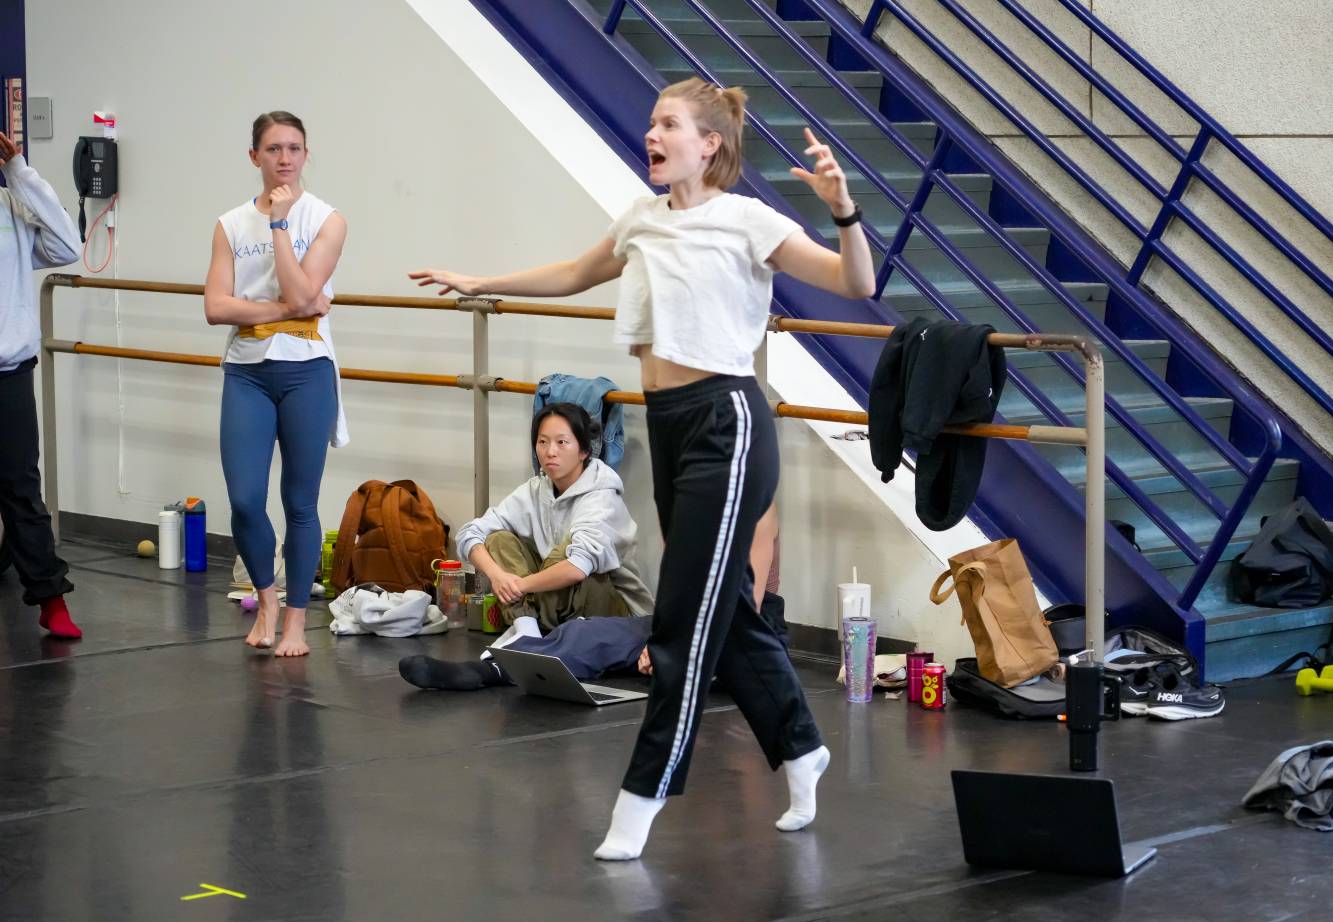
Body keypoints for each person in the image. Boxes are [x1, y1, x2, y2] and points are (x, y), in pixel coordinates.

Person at [410, 77, 874, 859]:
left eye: (668, 124)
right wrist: (482, 281)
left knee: (680, 624)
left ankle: (642, 796)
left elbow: (857, 283)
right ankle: (801, 747)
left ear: (710, 144)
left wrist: (842, 208)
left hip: (727, 422)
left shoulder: (746, 219)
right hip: (669, 424)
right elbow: (572, 272)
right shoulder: (641, 220)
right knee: (724, 611)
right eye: (651, 121)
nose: (651, 134)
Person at [204, 111, 348, 657]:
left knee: (300, 503)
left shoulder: (327, 219)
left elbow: (306, 296)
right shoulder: (230, 223)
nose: (284, 158)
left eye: (293, 148)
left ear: (306, 154)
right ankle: (265, 597)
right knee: (244, 498)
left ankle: (293, 622)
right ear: (254, 157)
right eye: (272, 149)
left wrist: (282, 226)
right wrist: (280, 308)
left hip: (307, 369)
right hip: (247, 371)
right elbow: (216, 307)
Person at [399, 402, 653, 692]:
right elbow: (471, 533)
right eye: (542, 442)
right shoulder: (536, 489)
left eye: (561, 443)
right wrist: (497, 576)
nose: (550, 452)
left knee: (567, 552)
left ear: (583, 451)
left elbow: (577, 567)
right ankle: (527, 631)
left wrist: (520, 586)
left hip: (607, 608)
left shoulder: (602, 498)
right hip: (554, 602)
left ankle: (497, 666)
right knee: (498, 540)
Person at [0, 131, 84, 639]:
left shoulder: (12, 205)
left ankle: (51, 602)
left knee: (21, 491)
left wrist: (20, 172)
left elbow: (67, 245)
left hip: (8, 373)